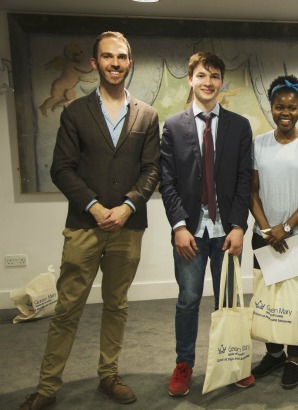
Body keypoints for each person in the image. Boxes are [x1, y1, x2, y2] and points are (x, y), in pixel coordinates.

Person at [20, 31, 160, 410]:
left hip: (128, 228)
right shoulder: (75, 112)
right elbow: (61, 169)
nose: (115, 63)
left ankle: (109, 375)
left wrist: (128, 206)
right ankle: (48, 389)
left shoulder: (147, 114)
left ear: (130, 62)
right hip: (85, 226)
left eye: (122, 57)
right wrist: (96, 207)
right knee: (67, 308)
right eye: (107, 57)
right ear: (95, 63)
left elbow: (152, 170)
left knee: (116, 305)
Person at [159, 51, 254, 396]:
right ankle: (184, 364)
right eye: (202, 75)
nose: (208, 82)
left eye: (214, 76)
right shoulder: (173, 126)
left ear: (221, 81)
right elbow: (166, 181)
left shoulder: (239, 126)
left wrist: (239, 226)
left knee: (228, 301)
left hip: (227, 232)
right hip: (190, 233)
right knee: (188, 300)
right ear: (190, 79)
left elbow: (244, 180)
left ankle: (231, 362)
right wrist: (178, 226)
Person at [249, 75, 298, 389]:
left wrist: (287, 227)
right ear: (271, 107)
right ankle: (273, 353)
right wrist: (269, 228)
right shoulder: (258, 144)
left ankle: (293, 356)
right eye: (280, 106)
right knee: (268, 296)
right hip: (266, 233)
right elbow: (251, 190)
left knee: (297, 298)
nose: (286, 112)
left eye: (292, 107)